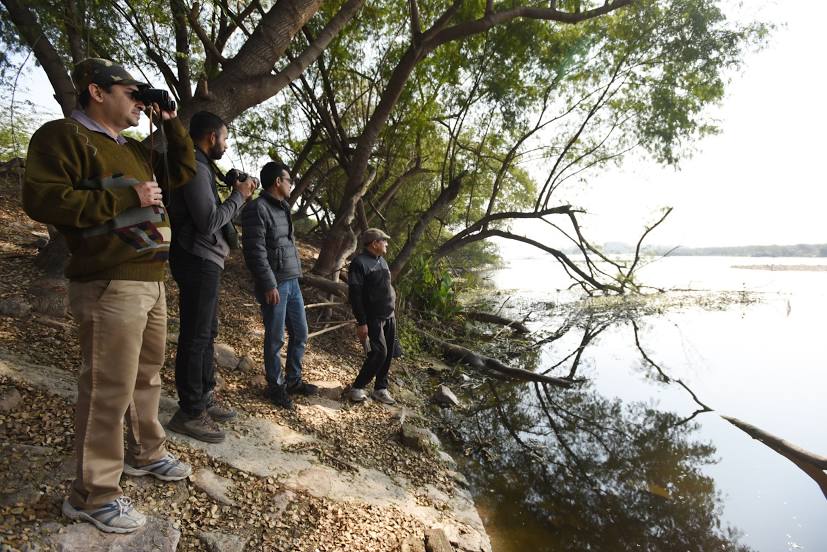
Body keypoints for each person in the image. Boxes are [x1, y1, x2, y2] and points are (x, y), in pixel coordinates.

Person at [22, 58, 196, 533]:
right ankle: (92, 494)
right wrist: (128, 197)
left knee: (145, 376)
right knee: (106, 388)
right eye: (131, 93)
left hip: (150, 278)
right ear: (97, 92)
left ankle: (145, 452)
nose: (140, 101)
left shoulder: (136, 151)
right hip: (108, 279)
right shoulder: (63, 136)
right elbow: (41, 199)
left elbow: (181, 171)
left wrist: (170, 122)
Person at [166, 111, 256, 443]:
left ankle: (203, 397)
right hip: (196, 258)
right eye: (225, 137)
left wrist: (235, 193)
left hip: (206, 259)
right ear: (211, 137)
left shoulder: (202, 167)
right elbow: (208, 221)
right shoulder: (194, 167)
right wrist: (239, 197)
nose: (226, 143)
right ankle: (189, 412)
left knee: (207, 333)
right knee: (196, 335)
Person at [241, 161, 317, 409]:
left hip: (291, 281)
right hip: (275, 284)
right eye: (289, 180)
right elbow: (255, 251)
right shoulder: (257, 209)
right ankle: (275, 386)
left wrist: (297, 273)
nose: (291, 185)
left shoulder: (282, 207)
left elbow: (286, 243)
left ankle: (293, 380)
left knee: (301, 333)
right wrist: (268, 283)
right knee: (275, 338)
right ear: (278, 182)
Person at [347, 228, 398, 405]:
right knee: (379, 352)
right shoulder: (359, 263)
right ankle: (357, 387)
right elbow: (355, 295)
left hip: (389, 315)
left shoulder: (382, 260)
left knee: (389, 352)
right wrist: (362, 322)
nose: (387, 244)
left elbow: (386, 286)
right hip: (373, 317)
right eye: (384, 240)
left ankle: (380, 389)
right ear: (375, 243)